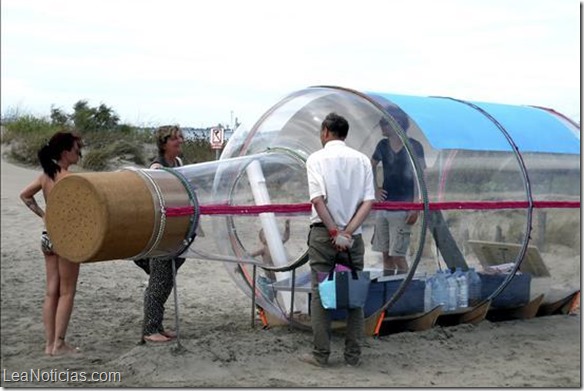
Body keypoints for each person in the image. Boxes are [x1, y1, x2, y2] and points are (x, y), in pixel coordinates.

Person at [300, 112, 375, 368]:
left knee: (320, 295)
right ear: (345, 133)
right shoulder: (362, 160)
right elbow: (368, 201)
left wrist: (334, 232)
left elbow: (318, 199)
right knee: (355, 297)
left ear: (325, 132)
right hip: (354, 236)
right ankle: (353, 356)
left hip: (323, 234)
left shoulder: (316, 159)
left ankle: (321, 354)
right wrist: (348, 232)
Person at [19, 131, 83, 356]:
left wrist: (43, 215)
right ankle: (60, 344)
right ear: (66, 152)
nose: (80, 154)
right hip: (65, 239)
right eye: (77, 150)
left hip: (47, 237)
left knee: (51, 292)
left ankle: (49, 345)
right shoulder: (69, 178)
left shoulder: (46, 175)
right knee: (67, 292)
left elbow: (25, 196)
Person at [141, 125, 187, 343]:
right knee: (159, 280)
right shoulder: (157, 168)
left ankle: (156, 324)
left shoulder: (177, 164)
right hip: (160, 232)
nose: (179, 141)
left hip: (175, 231)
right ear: (164, 143)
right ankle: (150, 329)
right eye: (174, 138)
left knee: (166, 279)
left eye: (180, 137)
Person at [371, 107, 426, 276]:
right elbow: (371, 165)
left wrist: (416, 205)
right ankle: (388, 293)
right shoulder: (382, 145)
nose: (381, 126)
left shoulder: (414, 146)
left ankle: (402, 292)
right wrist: (376, 189)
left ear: (397, 124)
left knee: (398, 256)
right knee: (385, 254)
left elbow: (420, 176)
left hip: (403, 208)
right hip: (384, 207)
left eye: (384, 123)